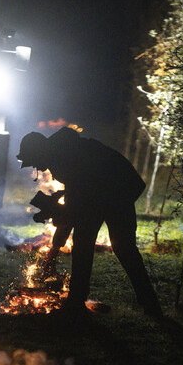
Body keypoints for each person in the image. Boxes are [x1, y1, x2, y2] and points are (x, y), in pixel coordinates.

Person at [17, 128, 162, 318]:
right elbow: (77, 196)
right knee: (96, 244)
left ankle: (79, 302)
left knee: (112, 246)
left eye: (34, 161)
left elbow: (75, 207)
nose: (36, 167)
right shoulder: (60, 151)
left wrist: (54, 249)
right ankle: (147, 303)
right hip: (103, 192)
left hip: (116, 191)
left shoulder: (62, 156)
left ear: (40, 152)